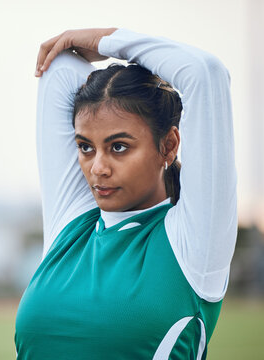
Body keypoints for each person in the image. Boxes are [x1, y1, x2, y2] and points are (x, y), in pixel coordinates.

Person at [14, 28, 237, 359]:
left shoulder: (193, 245)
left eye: (119, 147)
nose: (98, 168)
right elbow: (60, 68)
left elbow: (205, 74)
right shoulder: (71, 225)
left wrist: (103, 40)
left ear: (169, 145)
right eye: (85, 147)